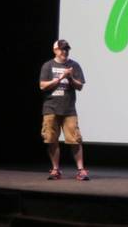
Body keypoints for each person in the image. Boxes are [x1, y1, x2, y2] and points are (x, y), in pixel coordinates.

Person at [39, 39, 89, 181]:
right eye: (61, 49)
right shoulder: (48, 66)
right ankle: (55, 170)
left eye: (66, 49)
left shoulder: (74, 65)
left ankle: (81, 170)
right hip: (51, 108)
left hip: (69, 109)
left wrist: (71, 77)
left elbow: (80, 86)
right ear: (55, 50)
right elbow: (42, 86)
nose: (64, 52)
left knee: (75, 139)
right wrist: (61, 77)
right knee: (51, 139)